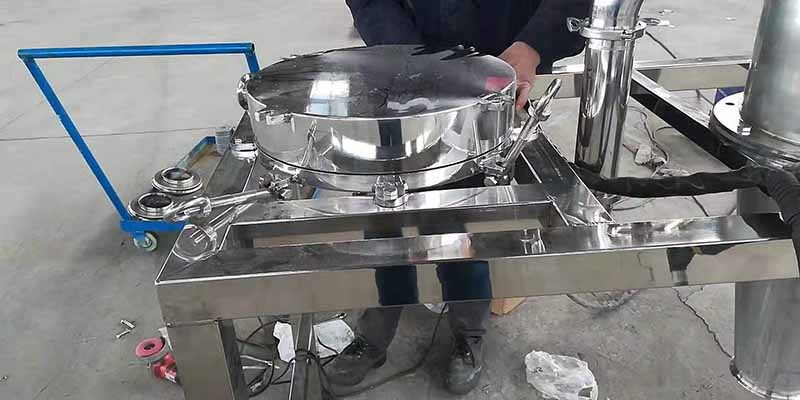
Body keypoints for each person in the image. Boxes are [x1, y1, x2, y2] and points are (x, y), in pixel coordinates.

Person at [326, 0, 592, 395]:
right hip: (405, 73)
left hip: (494, 72)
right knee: (387, 213)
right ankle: (375, 332)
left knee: (465, 219)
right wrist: (410, 55)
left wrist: (534, 44)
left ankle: (468, 335)